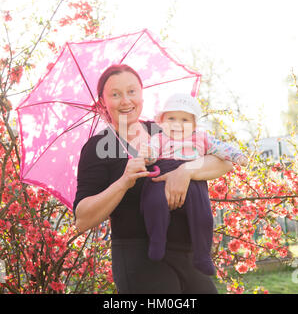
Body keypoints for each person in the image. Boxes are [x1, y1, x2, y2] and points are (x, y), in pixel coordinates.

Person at [73, 64, 233, 294]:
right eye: (115, 94)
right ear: (103, 102)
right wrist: (124, 182)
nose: (125, 101)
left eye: (131, 91)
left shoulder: (166, 129)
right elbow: (82, 219)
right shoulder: (98, 147)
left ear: (141, 93)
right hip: (139, 255)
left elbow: (223, 161)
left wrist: (185, 171)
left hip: (187, 252)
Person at [139, 93, 248, 276]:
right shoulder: (158, 138)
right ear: (163, 121)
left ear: (194, 124)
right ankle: (157, 241)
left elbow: (221, 148)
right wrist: (147, 154)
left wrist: (237, 155)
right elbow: (151, 155)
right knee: (154, 203)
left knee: (203, 214)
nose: (177, 124)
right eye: (171, 118)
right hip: (163, 173)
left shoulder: (201, 138)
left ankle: (202, 254)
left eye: (184, 120)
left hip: (193, 178)